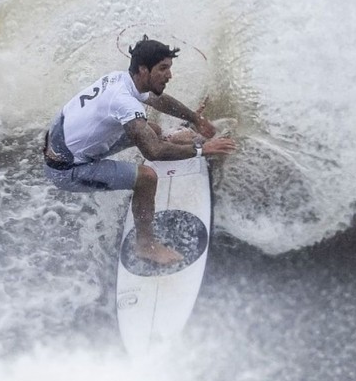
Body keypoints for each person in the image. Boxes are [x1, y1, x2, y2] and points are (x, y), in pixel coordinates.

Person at [43, 35, 237, 265]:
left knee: (150, 128)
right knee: (147, 177)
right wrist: (203, 150)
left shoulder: (122, 79)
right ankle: (145, 246)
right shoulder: (125, 102)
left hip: (64, 143)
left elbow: (159, 101)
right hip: (66, 168)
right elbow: (153, 153)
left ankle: (178, 139)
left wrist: (194, 117)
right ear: (143, 70)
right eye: (163, 68)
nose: (169, 75)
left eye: (169, 68)